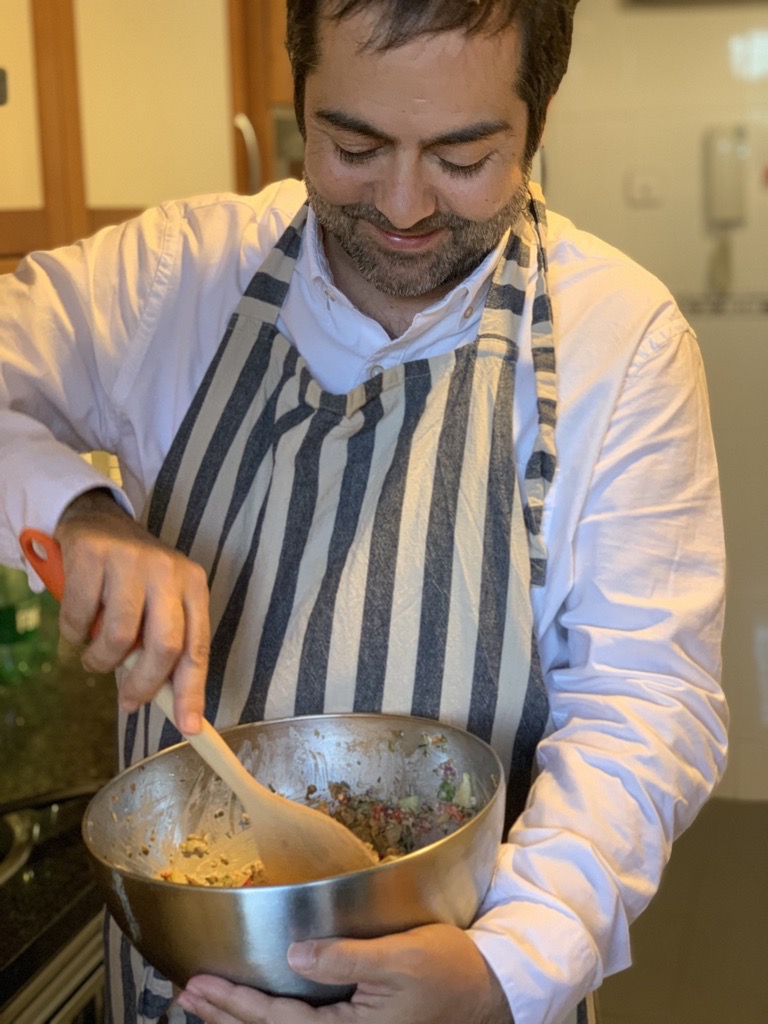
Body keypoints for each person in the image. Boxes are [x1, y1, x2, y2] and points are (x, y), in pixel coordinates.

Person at [0, 1, 727, 1022]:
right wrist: (79, 513)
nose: (401, 203)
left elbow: (646, 706)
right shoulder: (178, 273)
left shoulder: (622, 338)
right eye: (352, 145)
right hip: (187, 982)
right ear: (300, 102)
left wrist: (503, 971)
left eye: (462, 157)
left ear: (537, 125)